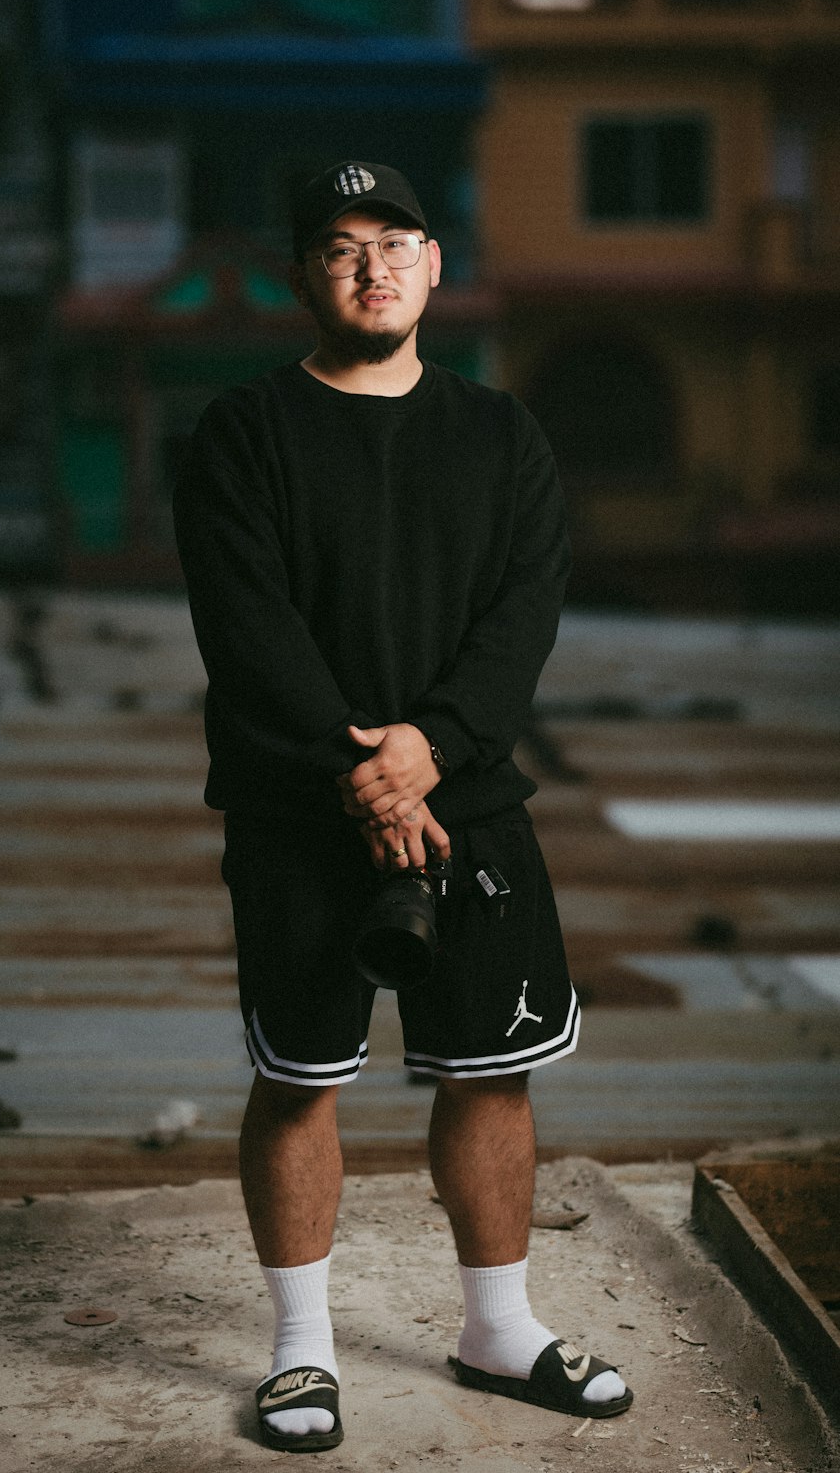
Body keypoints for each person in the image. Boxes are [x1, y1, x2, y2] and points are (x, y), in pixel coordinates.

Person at [173, 160, 633, 1454]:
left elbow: (523, 615)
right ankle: (302, 1355)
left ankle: (499, 1330)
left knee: (492, 1075)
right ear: (301, 275)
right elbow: (245, 625)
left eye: (396, 241)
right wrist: (358, 768)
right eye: (338, 244)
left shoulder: (501, 435)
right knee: (299, 1076)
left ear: (435, 266)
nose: (371, 265)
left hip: (470, 803)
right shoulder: (244, 433)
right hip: (295, 811)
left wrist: (427, 750)